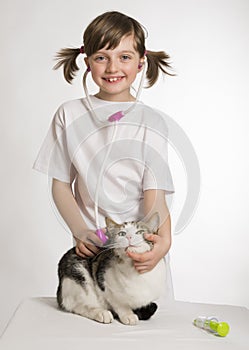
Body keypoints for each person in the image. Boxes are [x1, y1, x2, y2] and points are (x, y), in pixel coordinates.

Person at [33, 11, 175, 276]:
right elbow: (61, 184)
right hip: (94, 249)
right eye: (101, 58)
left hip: (140, 248)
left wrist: (163, 241)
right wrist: (80, 231)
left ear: (141, 62)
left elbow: (154, 192)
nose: (112, 68)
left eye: (124, 57)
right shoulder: (69, 114)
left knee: (144, 312)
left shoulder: (152, 121)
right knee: (95, 312)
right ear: (87, 62)